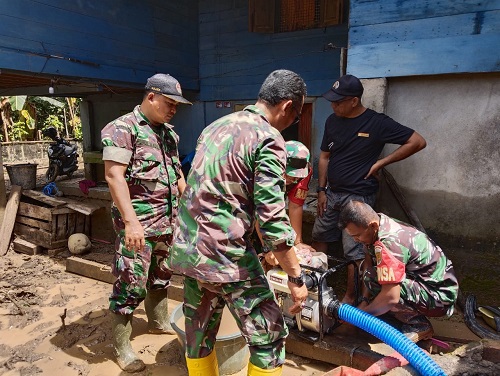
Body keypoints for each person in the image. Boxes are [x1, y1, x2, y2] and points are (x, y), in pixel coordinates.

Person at [167, 69, 309, 376]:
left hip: (190, 250)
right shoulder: (269, 138)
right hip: (227, 255)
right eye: (295, 116)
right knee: (269, 338)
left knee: (199, 332)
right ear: (287, 106)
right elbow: (271, 216)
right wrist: (296, 279)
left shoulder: (215, 126)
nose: (292, 123)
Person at [101, 73, 192, 372]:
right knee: (130, 282)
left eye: (177, 106)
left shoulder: (169, 135)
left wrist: (190, 209)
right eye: (169, 103)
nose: (173, 110)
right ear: (151, 96)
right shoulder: (122, 129)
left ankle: (158, 321)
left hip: (169, 223)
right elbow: (114, 176)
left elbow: (178, 175)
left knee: (162, 274)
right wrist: (131, 223)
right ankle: (122, 345)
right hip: (138, 225)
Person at [311, 74, 427, 305]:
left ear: (354, 101)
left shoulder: (377, 123)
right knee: (319, 236)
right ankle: (316, 285)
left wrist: (381, 163)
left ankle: (351, 298)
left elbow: (417, 141)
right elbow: (324, 157)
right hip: (332, 193)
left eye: (338, 101)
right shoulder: (332, 121)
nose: (333, 106)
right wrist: (322, 190)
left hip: (359, 196)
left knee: (355, 251)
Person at [338, 200, 459, 342]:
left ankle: (419, 325)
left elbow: (391, 297)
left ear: (372, 226)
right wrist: (364, 301)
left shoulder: (389, 242)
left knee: (379, 283)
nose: (356, 240)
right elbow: (369, 264)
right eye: (352, 236)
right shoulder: (378, 224)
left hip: (439, 297)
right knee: (370, 275)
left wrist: (358, 317)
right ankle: (390, 312)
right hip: (422, 283)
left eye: (357, 235)